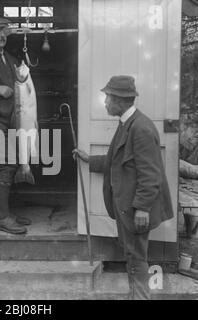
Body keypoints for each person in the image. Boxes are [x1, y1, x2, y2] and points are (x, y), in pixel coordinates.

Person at [73, 75, 174, 300]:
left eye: (107, 98)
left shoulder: (141, 128)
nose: (105, 103)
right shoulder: (127, 124)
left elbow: (151, 174)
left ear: (119, 100)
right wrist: (89, 159)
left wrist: (142, 208)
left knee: (137, 258)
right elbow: (116, 160)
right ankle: (135, 296)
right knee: (133, 255)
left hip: (136, 209)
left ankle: (140, 297)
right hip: (127, 206)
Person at [0, 17, 31, 234]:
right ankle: (3, 218)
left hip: (12, 122)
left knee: (12, 164)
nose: (2, 35)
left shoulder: (11, 59)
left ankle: (6, 213)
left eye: (5, 31)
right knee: (8, 165)